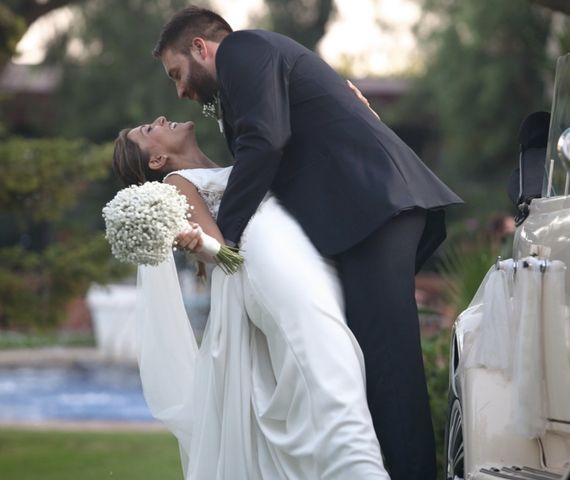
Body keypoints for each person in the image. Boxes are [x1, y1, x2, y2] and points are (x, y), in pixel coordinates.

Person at [153, 7, 463, 479]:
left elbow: (266, 139)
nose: (179, 90)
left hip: (374, 206)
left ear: (201, 47)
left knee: (389, 365)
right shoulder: (247, 70)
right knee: (371, 366)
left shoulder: (244, 49)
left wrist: (228, 232)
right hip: (361, 216)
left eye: (177, 73)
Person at [112, 115, 390, 479]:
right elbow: (222, 250)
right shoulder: (177, 182)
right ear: (157, 161)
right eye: (150, 130)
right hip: (262, 278)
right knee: (308, 379)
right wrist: (199, 245)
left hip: (292, 259)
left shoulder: (229, 163)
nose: (161, 119)